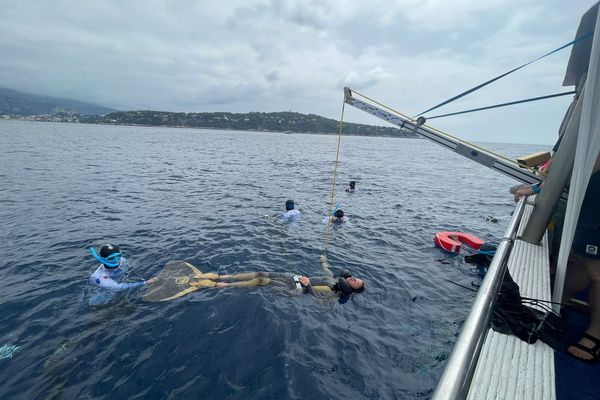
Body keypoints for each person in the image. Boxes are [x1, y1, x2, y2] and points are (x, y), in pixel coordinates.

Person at [188, 254, 365, 299]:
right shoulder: (334, 278)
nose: (353, 279)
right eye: (355, 278)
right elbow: (326, 268)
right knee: (260, 273)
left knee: (261, 281)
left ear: (352, 289)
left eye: (356, 283)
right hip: (293, 277)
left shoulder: (334, 293)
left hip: (295, 288)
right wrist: (324, 260)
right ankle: (221, 277)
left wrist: (307, 285)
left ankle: (215, 285)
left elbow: (318, 301)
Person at [89, 244, 156, 290]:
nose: (116, 260)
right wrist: (145, 283)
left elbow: (128, 268)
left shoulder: (122, 260)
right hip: (104, 294)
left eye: (118, 256)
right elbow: (119, 287)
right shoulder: (98, 277)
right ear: (103, 259)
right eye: (111, 258)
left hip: (118, 280)